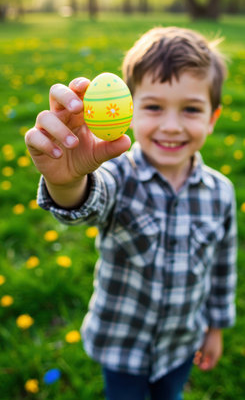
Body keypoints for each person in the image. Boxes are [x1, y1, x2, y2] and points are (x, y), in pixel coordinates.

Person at [25, 27, 237, 400]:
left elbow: (222, 266)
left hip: (180, 344)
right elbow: (87, 203)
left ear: (213, 117)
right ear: (127, 109)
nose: (171, 125)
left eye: (190, 109)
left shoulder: (220, 192)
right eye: (154, 107)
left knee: (170, 395)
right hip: (122, 347)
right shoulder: (118, 175)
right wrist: (66, 181)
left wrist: (215, 328)